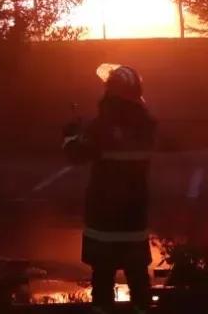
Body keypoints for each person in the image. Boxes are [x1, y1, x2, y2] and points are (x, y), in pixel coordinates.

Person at [66, 64, 156, 311]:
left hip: (103, 220)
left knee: (103, 281)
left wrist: (71, 134)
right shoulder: (146, 126)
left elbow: (76, 155)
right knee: (139, 281)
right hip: (135, 218)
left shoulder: (101, 126)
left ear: (111, 91)